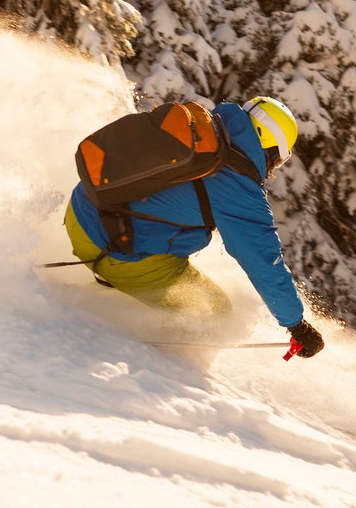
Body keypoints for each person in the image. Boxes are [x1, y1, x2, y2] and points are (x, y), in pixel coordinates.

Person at [64, 96, 325, 358]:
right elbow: (265, 263)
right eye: (277, 161)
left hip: (82, 207)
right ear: (268, 146)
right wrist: (296, 325)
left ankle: (94, 300)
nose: (272, 170)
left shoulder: (199, 126)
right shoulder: (239, 190)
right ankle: (145, 358)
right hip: (111, 247)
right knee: (214, 312)